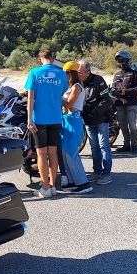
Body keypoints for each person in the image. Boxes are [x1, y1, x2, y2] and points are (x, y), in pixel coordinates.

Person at [24, 49, 67, 198]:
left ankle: (45, 187)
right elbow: (62, 93)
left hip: (39, 119)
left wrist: (29, 119)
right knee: (53, 153)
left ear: (40, 60)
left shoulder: (34, 72)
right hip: (56, 118)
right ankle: (53, 185)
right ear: (53, 59)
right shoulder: (62, 74)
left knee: (41, 154)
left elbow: (30, 98)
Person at [59, 62, 93, 194]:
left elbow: (68, 104)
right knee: (65, 154)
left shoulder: (77, 87)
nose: (65, 75)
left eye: (67, 73)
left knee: (72, 153)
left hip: (73, 120)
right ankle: (73, 181)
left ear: (73, 73)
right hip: (66, 120)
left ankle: (83, 183)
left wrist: (56, 95)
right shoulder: (70, 87)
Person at [78, 60, 113, 185]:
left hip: (101, 119)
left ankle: (106, 174)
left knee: (104, 146)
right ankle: (97, 171)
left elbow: (107, 100)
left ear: (87, 72)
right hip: (88, 120)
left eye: (80, 72)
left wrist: (94, 112)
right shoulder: (78, 83)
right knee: (94, 147)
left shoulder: (98, 80)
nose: (78, 74)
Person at [112, 49, 137, 154]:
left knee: (132, 125)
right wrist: (114, 92)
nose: (121, 63)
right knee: (122, 125)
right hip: (119, 103)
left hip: (131, 103)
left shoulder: (135, 74)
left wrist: (124, 92)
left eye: (123, 60)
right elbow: (113, 88)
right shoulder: (116, 75)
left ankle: (134, 145)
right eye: (119, 61)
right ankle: (126, 145)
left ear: (128, 61)